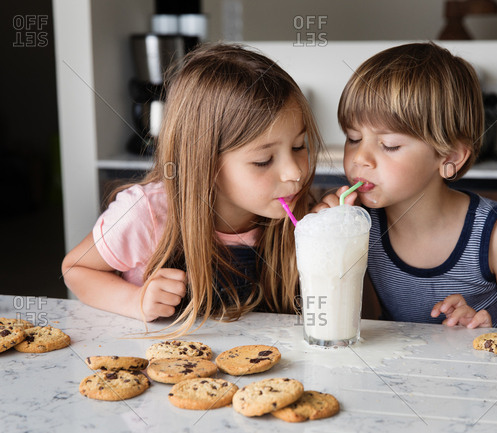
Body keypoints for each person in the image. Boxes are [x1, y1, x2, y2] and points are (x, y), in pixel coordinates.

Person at [61, 43, 323, 336]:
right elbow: (76, 270)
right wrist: (136, 301)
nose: (295, 172)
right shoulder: (146, 213)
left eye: (299, 146)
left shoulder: (297, 210)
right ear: (203, 162)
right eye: (264, 160)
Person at [315, 42, 497, 331]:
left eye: (389, 145)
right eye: (353, 138)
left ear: (450, 157)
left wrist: (486, 328)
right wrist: (325, 235)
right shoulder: (360, 223)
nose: (359, 158)